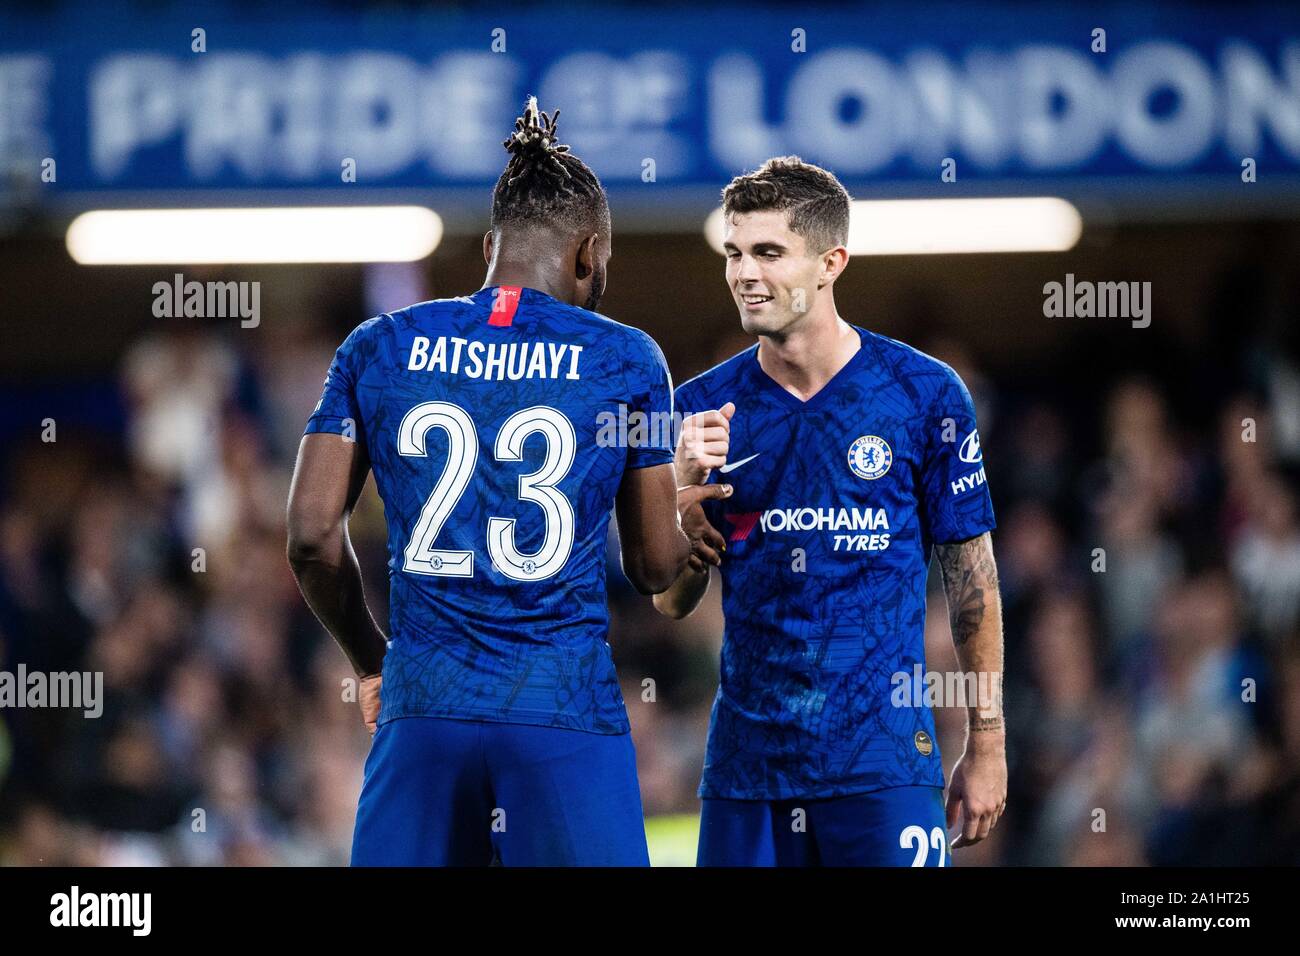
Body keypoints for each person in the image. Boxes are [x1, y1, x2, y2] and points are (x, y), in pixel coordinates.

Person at [286, 99, 723, 865]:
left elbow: (311, 539)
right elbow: (655, 565)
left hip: (423, 706)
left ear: (492, 245)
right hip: (562, 712)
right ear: (589, 255)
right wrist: (690, 517)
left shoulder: (376, 347)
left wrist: (371, 659)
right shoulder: (629, 360)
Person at [655, 156, 1007, 866]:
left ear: (830, 262)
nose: (744, 273)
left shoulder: (924, 395)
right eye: (734, 253)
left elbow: (973, 581)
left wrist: (988, 743)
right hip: (749, 772)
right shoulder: (698, 409)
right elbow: (671, 601)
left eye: (768, 252)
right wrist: (683, 505)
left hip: (882, 764)